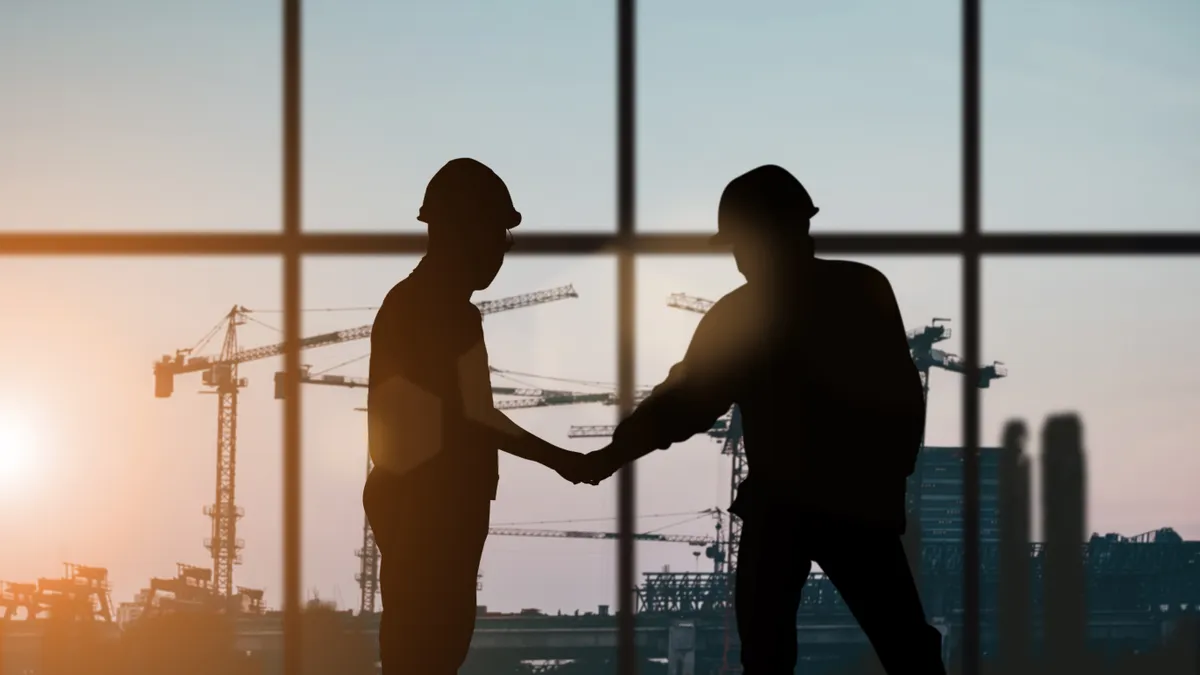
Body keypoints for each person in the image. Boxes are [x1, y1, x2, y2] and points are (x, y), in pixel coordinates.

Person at [581, 165, 946, 674]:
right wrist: (889, 477)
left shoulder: (741, 313)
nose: (736, 258)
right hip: (856, 504)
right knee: (904, 643)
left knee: (767, 653)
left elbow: (686, 400)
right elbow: (903, 395)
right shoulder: (863, 288)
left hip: (784, 507)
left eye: (739, 244)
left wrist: (615, 452)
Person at [363, 158, 593, 675]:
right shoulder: (445, 312)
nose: (500, 252)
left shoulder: (415, 303)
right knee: (431, 651)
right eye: (496, 235)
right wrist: (563, 461)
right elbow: (477, 416)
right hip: (434, 506)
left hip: (424, 501)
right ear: (459, 232)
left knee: (420, 650)